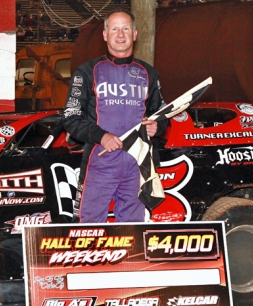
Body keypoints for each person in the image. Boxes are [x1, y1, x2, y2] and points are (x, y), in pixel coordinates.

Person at [62, 8, 168, 223]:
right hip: (99, 165)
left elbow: (163, 114)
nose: (121, 35)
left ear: (135, 34)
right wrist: (101, 136)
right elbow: (71, 118)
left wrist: (158, 126)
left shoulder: (149, 73)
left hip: (136, 166)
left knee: (131, 233)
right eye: (115, 29)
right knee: (87, 230)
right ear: (105, 35)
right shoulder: (87, 72)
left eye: (126, 29)